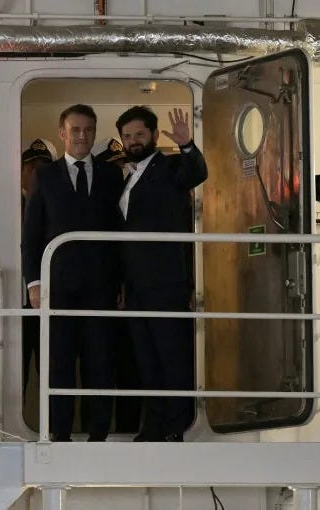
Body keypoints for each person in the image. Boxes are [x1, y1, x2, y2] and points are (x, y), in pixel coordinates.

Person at [22, 104, 123, 442]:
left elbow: (119, 232)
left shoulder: (112, 175)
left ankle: (98, 435)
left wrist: (121, 282)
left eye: (88, 130)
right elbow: (32, 233)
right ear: (62, 133)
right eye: (76, 130)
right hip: (58, 287)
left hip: (101, 286)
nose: (82, 136)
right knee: (60, 363)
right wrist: (33, 282)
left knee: (101, 361)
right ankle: (59, 435)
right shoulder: (45, 176)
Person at [116, 106, 208, 442]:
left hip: (165, 280)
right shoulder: (127, 175)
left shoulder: (169, 167)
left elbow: (196, 173)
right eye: (127, 135)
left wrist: (186, 146)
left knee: (172, 355)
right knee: (146, 358)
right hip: (135, 284)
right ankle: (153, 425)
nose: (134, 140)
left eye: (140, 134)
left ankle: (176, 425)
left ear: (153, 136)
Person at [92, 137, 141, 434]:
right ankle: (96, 429)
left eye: (123, 165)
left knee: (131, 368)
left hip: (132, 292)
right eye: (114, 167)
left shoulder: (135, 198)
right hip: (101, 294)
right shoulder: (96, 204)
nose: (120, 171)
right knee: (99, 367)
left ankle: (128, 427)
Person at [20, 138, 56, 399]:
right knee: (14, 369)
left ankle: (54, 430)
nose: (35, 173)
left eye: (42, 168)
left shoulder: (54, 205)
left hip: (47, 300)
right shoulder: (6, 204)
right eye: (31, 167)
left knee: (51, 370)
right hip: (15, 302)